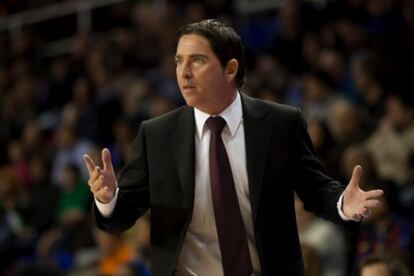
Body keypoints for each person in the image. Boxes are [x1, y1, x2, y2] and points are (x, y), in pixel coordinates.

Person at [83, 19, 383, 276]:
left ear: (230, 69)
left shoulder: (280, 123)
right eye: (178, 61)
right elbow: (121, 216)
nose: (183, 72)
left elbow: (316, 189)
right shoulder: (156, 135)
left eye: (196, 60)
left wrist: (343, 203)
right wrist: (108, 199)